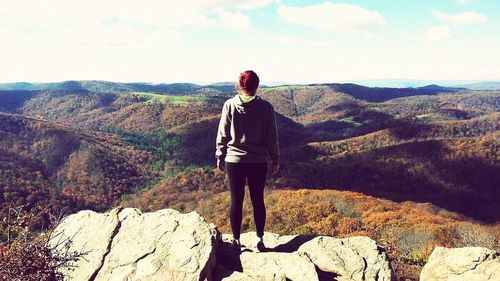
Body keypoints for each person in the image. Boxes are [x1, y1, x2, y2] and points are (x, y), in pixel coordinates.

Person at [215, 70, 280, 252]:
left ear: (239, 85)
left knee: (236, 200)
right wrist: (275, 159)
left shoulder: (229, 105)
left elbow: (223, 133)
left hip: (234, 161)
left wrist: (220, 156)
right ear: (257, 86)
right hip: (258, 161)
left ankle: (236, 240)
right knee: (257, 200)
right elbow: (272, 137)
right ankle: (259, 239)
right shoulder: (266, 108)